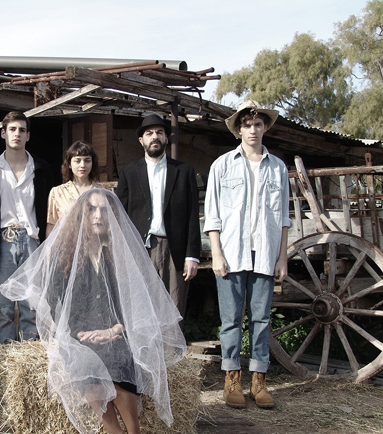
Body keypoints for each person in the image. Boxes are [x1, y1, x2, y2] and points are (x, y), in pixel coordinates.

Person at [0, 189, 186, 434]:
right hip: (80, 337)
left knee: (119, 366)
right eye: (92, 210)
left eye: (103, 210)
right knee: (88, 375)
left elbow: (137, 301)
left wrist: (114, 329)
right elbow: (56, 303)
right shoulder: (65, 254)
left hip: (118, 333)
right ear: (82, 216)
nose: (98, 216)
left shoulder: (122, 254)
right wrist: (78, 334)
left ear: (112, 217)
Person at [203, 99, 290, 409]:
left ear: (265, 128)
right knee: (230, 320)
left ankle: (259, 381)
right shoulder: (222, 165)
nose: (253, 130)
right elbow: (212, 215)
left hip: (265, 253)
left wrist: (282, 257)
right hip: (231, 253)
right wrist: (216, 254)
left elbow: (283, 218)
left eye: (258, 124)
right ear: (238, 130)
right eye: (247, 125)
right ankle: (232, 380)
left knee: (261, 320)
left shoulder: (278, 168)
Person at [116, 114, 201, 319]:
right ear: (141, 140)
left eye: (159, 132)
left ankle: (172, 343)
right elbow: (120, 216)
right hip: (140, 249)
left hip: (175, 250)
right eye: (149, 133)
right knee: (141, 310)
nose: (155, 136)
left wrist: (192, 256)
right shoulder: (129, 173)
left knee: (174, 309)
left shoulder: (183, 171)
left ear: (166, 138)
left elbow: (192, 216)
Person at [0, 111, 53, 344]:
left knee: (30, 306)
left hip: (32, 240)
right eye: (12, 129)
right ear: (3, 133)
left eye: (22, 130)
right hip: (1, 241)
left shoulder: (41, 168)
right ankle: (7, 358)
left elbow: (50, 210)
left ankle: (26, 358)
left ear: (28, 135)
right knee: (2, 308)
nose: (17, 134)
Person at [46, 141, 103, 235]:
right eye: (77, 161)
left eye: (87, 160)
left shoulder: (102, 192)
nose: (82, 165)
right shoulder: (58, 192)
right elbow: (52, 226)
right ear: (69, 164)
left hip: (95, 242)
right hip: (66, 242)